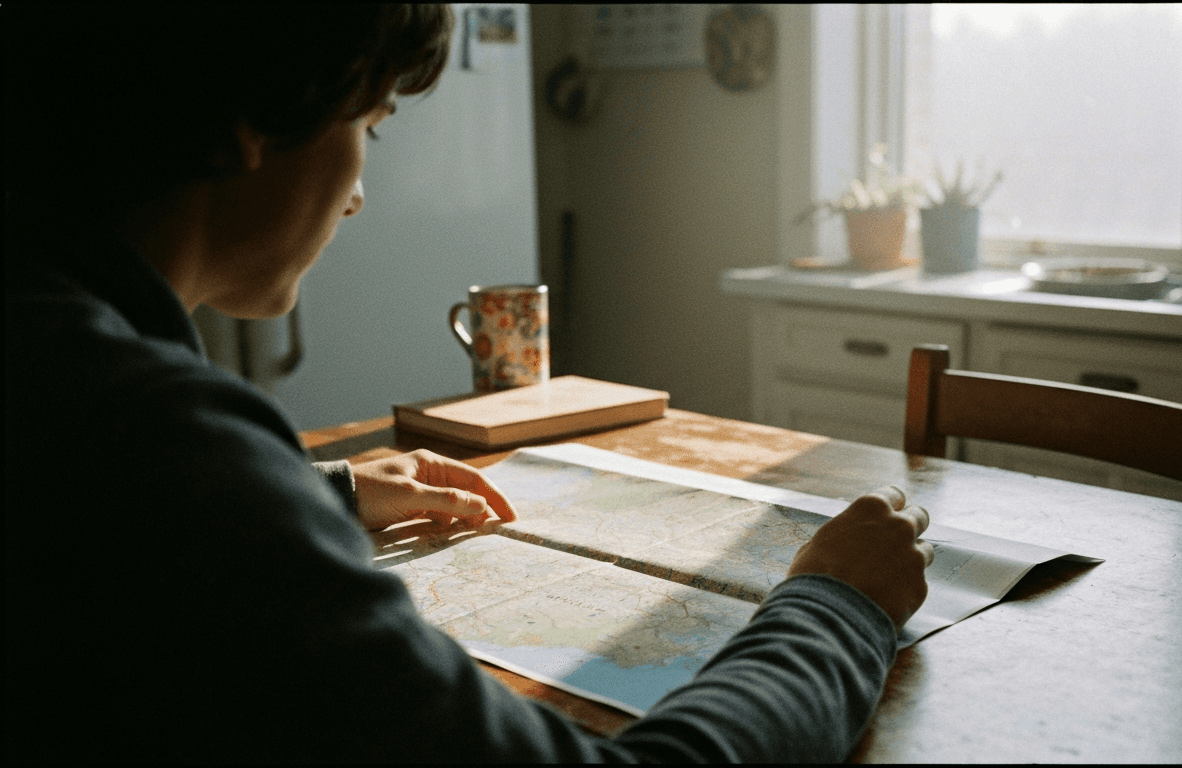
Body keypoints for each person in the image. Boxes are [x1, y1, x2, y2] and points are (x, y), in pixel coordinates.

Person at [4, 5, 935, 761]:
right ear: (254, 121)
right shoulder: (159, 441)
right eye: (368, 125)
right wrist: (836, 603)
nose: (360, 190)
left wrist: (313, 492)